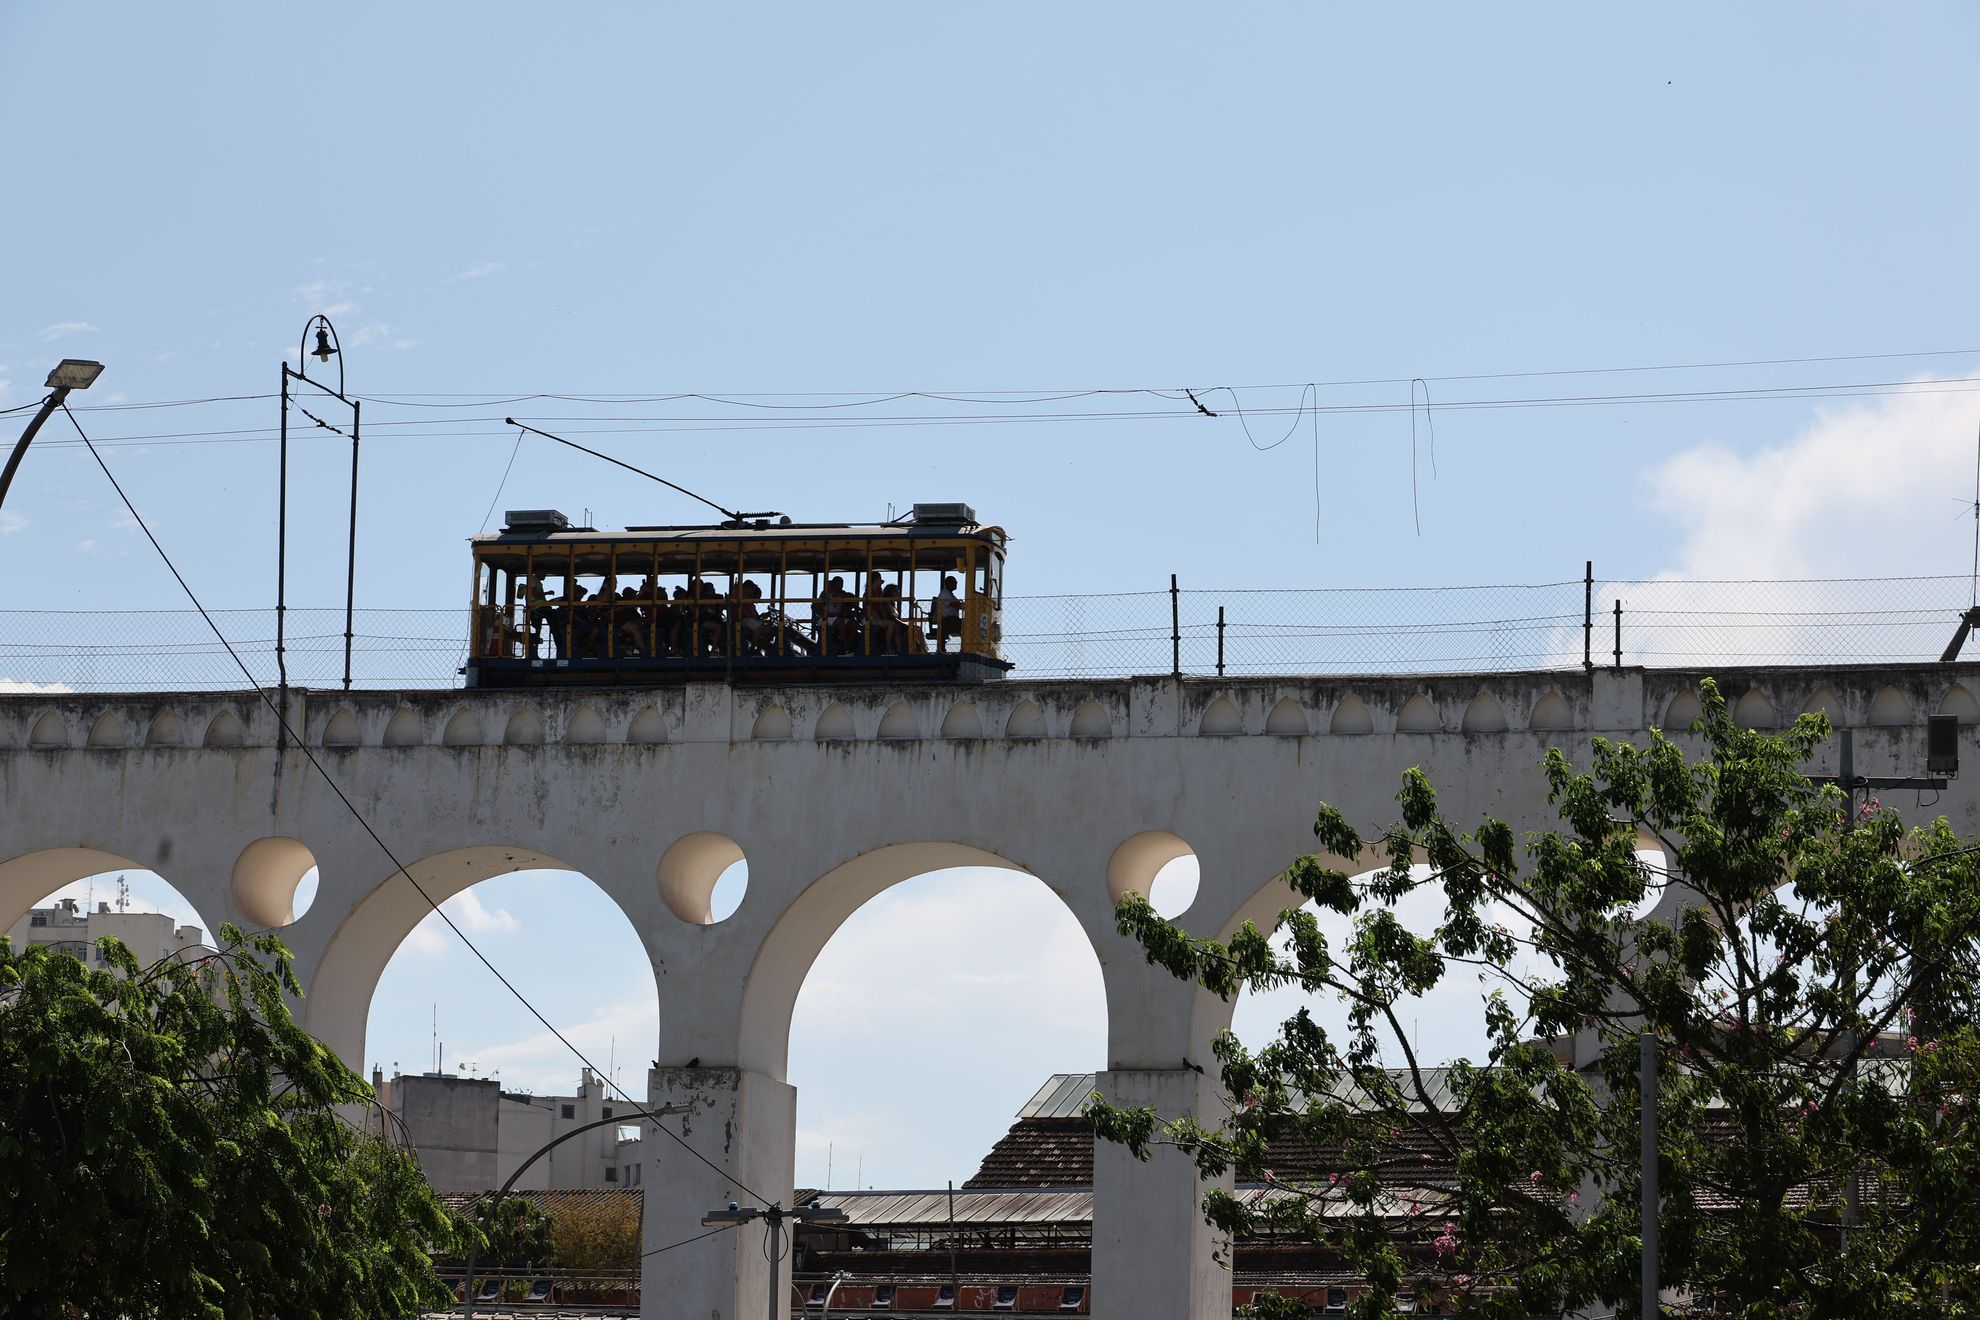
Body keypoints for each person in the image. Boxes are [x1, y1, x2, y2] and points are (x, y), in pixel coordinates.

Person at [931, 574, 962, 652]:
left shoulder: (950, 594)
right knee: (966, 625)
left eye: (956, 583)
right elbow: (955, 604)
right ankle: (965, 647)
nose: (955, 584)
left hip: (951, 619)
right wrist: (966, 606)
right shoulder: (945, 594)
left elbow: (958, 604)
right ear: (948, 583)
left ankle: (964, 647)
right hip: (946, 620)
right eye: (954, 583)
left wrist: (964, 606)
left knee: (965, 624)